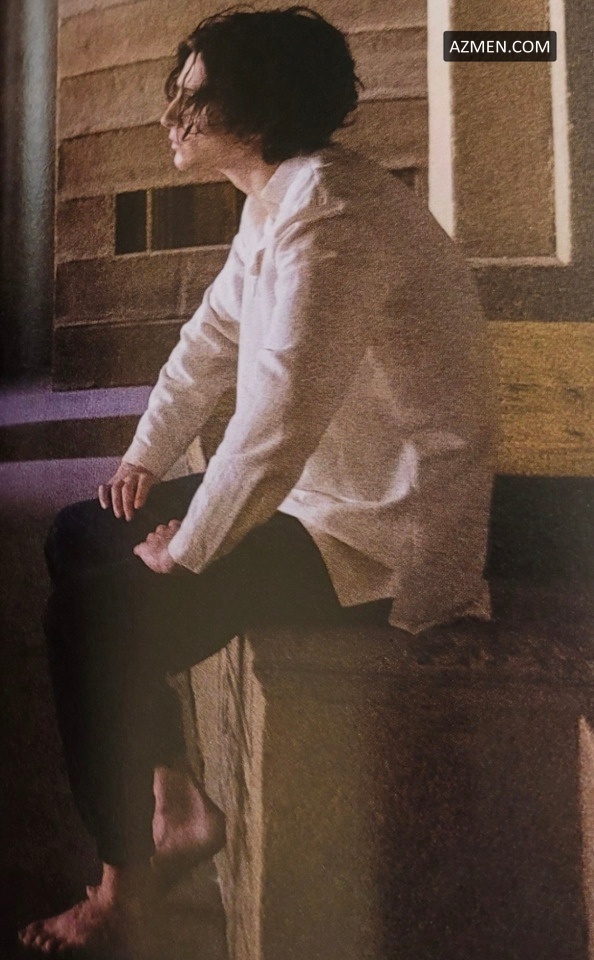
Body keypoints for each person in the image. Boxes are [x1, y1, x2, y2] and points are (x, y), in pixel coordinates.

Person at [19, 6, 493, 956]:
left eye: (195, 98)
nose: (171, 115)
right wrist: (145, 459)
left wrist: (190, 547)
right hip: (312, 494)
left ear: (265, 110)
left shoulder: (336, 219)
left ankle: (122, 885)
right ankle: (176, 802)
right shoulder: (277, 196)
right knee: (80, 531)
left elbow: (276, 422)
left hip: (375, 535)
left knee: (95, 617)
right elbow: (209, 342)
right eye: (176, 91)